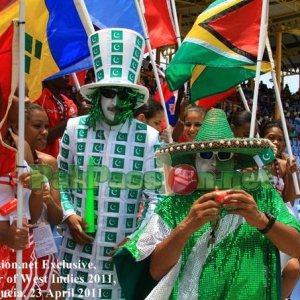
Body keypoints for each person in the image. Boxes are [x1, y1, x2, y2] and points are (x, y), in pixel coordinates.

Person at [114, 109, 300, 300]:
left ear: (236, 158)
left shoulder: (262, 196)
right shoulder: (176, 203)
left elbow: (297, 248)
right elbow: (155, 270)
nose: (214, 164)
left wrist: (261, 220)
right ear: (194, 160)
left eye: (224, 155)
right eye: (206, 154)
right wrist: (187, 226)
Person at [57, 28, 161, 299]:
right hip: (75, 248)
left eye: (123, 94)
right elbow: (62, 177)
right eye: (109, 93)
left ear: (132, 98)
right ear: (99, 93)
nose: (115, 101)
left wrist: (137, 240)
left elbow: (156, 198)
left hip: (119, 252)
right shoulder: (74, 128)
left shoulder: (149, 137)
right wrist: (69, 215)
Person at [24, 102, 63, 299]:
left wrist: (48, 200)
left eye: (46, 126)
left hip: (45, 246)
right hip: (19, 247)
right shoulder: (7, 163)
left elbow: (57, 218)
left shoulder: (49, 162)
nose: (45, 132)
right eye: (37, 126)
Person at [261, 120, 300, 299]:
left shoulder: (283, 166)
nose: (276, 142)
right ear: (262, 138)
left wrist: (293, 175)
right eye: (271, 138)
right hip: (258, 222)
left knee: (294, 268)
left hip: (279, 221)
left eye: (280, 139)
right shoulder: (252, 163)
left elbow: (290, 200)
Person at [35, 76, 78, 158]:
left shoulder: (70, 103)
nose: (67, 75)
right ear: (49, 77)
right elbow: (40, 138)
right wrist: (71, 121)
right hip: (45, 164)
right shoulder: (38, 100)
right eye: (62, 72)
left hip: (66, 163)